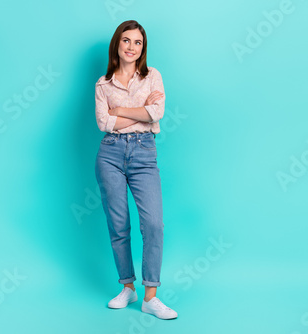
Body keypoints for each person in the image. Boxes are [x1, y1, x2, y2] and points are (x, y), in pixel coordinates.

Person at [94, 20, 177, 320]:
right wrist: (140, 111)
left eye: (138, 42)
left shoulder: (152, 76)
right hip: (110, 155)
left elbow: (157, 113)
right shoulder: (103, 84)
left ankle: (150, 297)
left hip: (143, 153)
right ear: (117, 44)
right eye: (126, 40)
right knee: (119, 226)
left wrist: (121, 111)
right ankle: (127, 287)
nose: (131, 47)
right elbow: (104, 124)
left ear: (143, 48)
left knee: (153, 224)